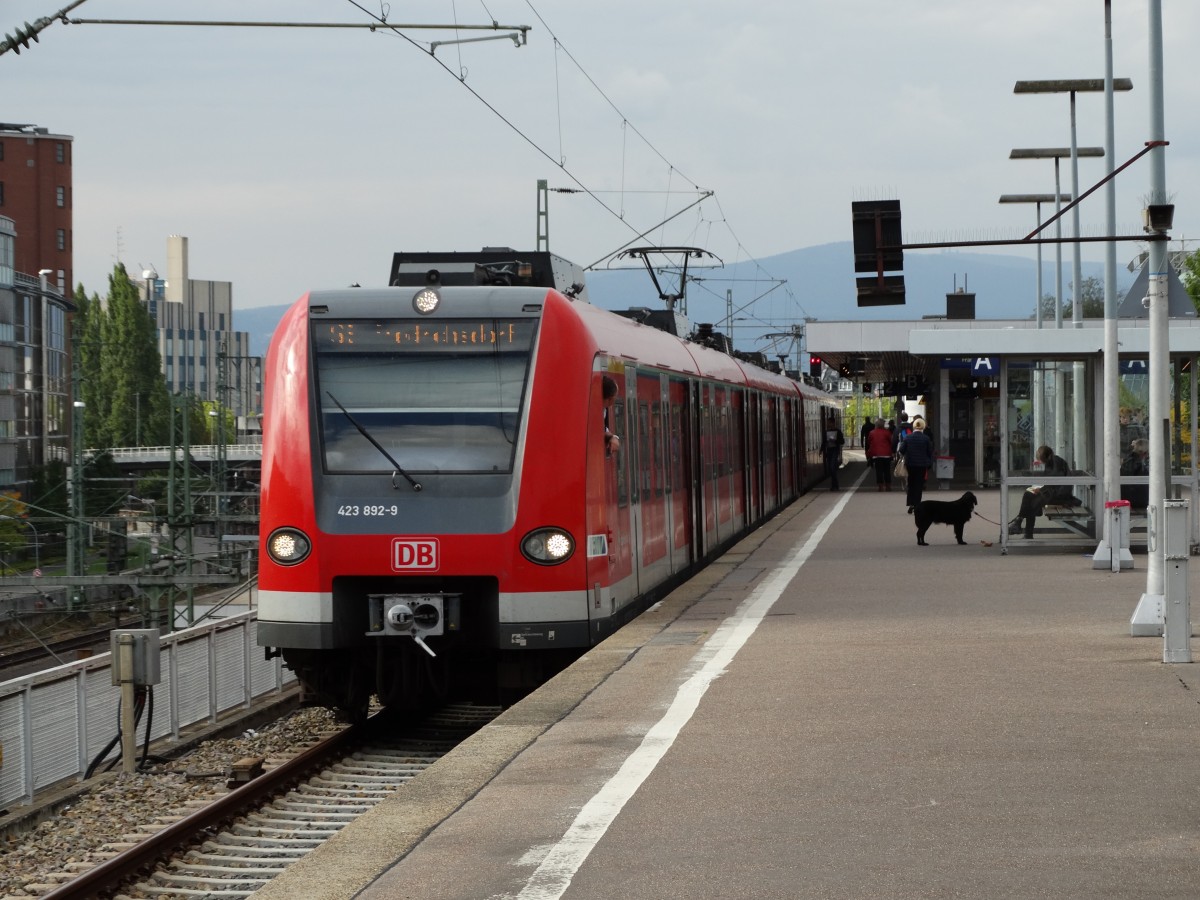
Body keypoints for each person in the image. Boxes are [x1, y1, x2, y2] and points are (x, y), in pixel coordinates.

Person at [1009, 445, 1073, 539]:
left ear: (1046, 456)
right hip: (1053, 492)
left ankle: (1024, 528)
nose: (1040, 461)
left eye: (1040, 459)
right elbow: (1050, 481)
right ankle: (1022, 525)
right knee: (1028, 495)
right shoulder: (1052, 461)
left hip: (1061, 495)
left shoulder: (1056, 462)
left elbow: (1055, 481)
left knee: (1032, 502)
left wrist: (1041, 489)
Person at [899, 418, 934, 512]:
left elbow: (901, 450)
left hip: (910, 464)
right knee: (919, 484)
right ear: (923, 427)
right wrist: (929, 463)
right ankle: (917, 504)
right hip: (922, 465)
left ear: (914, 427)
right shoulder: (926, 438)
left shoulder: (907, 437)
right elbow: (930, 452)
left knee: (911, 484)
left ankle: (911, 504)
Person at [865, 418, 894, 491]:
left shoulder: (872, 433)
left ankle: (880, 486)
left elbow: (869, 442)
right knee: (887, 470)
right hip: (887, 454)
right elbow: (891, 441)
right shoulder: (887, 432)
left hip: (876, 454)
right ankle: (888, 486)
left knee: (879, 471)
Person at [1120, 438, 1149, 509]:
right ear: (1143, 453)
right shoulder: (1137, 464)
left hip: (1128, 499)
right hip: (1137, 501)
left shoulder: (1128, 461)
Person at [822, 413, 845, 491]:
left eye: (829, 422)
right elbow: (824, 441)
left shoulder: (838, 431)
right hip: (829, 450)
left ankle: (835, 485)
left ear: (832, 423)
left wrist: (835, 440)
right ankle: (834, 484)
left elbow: (842, 441)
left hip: (835, 450)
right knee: (830, 468)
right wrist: (821, 450)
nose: (827, 424)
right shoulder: (826, 431)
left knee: (832, 467)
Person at [601, 375, 621, 457]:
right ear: (611, 398)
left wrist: (613, 437)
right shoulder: (598, 412)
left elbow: (603, 430)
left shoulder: (603, 410)